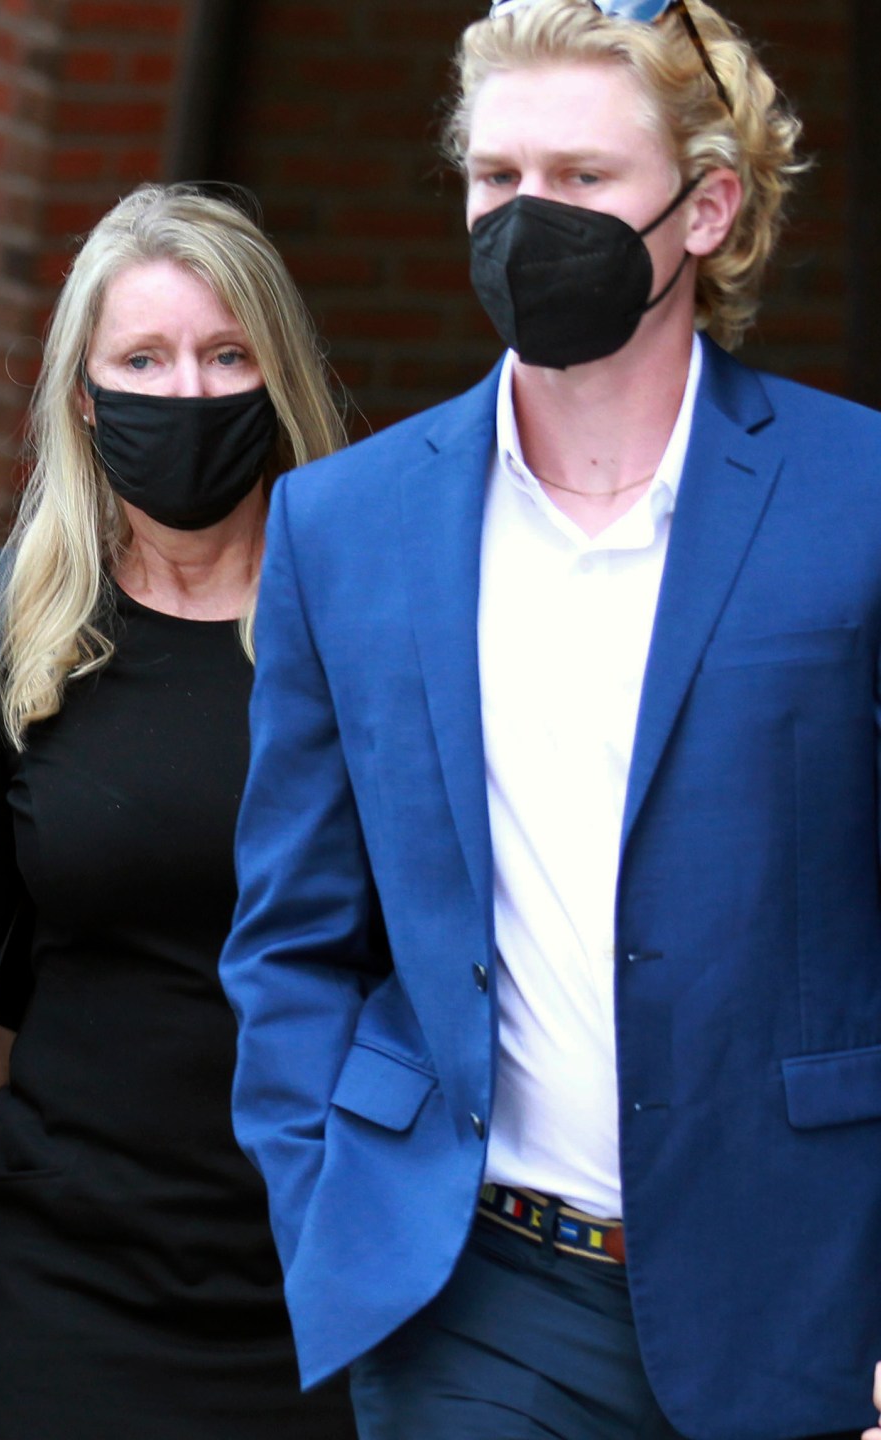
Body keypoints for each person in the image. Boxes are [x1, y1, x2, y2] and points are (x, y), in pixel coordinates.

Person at [221, 2, 881, 1437]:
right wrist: (327, 1212)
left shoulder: (862, 499)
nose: (529, 220)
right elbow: (292, 931)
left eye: (583, 181)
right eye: (497, 178)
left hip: (803, 1299)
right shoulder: (348, 526)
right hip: (476, 1301)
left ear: (707, 208)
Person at [0, 183, 355, 1435]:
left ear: (279, 378)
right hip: (60, 1273)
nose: (189, 391)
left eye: (227, 355)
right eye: (145, 359)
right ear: (83, 396)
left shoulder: (372, 621)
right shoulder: (13, 623)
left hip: (320, 1275)